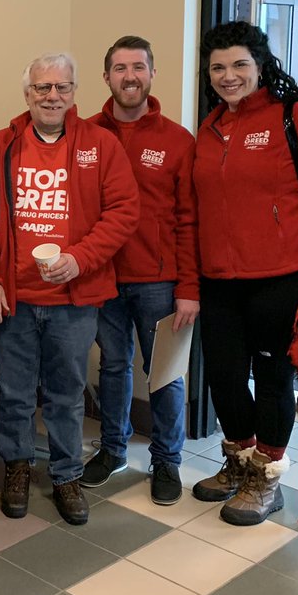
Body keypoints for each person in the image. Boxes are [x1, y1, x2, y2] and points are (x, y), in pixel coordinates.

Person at [0, 53, 139, 526]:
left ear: (74, 93)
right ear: (27, 93)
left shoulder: (100, 145)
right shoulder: (1, 145)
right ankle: (18, 467)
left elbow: (123, 212)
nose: (52, 96)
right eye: (43, 88)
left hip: (74, 302)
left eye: (62, 88)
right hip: (14, 300)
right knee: (16, 395)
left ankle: (65, 475)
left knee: (67, 394)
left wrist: (79, 259)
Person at [190, 22, 298, 526]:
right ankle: (237, 460)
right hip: (219, 278)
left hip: (281, 277)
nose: (228, 75)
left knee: (273, 378)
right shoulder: (211, 125)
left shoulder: (296, 115)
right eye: (218, 67)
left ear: (262, 66)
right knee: (222, 375)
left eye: (239, 64)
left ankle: (267, 475)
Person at [85, 36, 199, 506]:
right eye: (119, 68)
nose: (129, 76)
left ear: (152, 74)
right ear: (106, 76)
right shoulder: (86, 134)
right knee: (112, 367)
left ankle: (167, 459)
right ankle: (112, 448)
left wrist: (189, 287)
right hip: (102, 276)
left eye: (138, 67)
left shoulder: (177, 141)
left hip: (158, 279)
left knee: (164, 373)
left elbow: (191, 219)